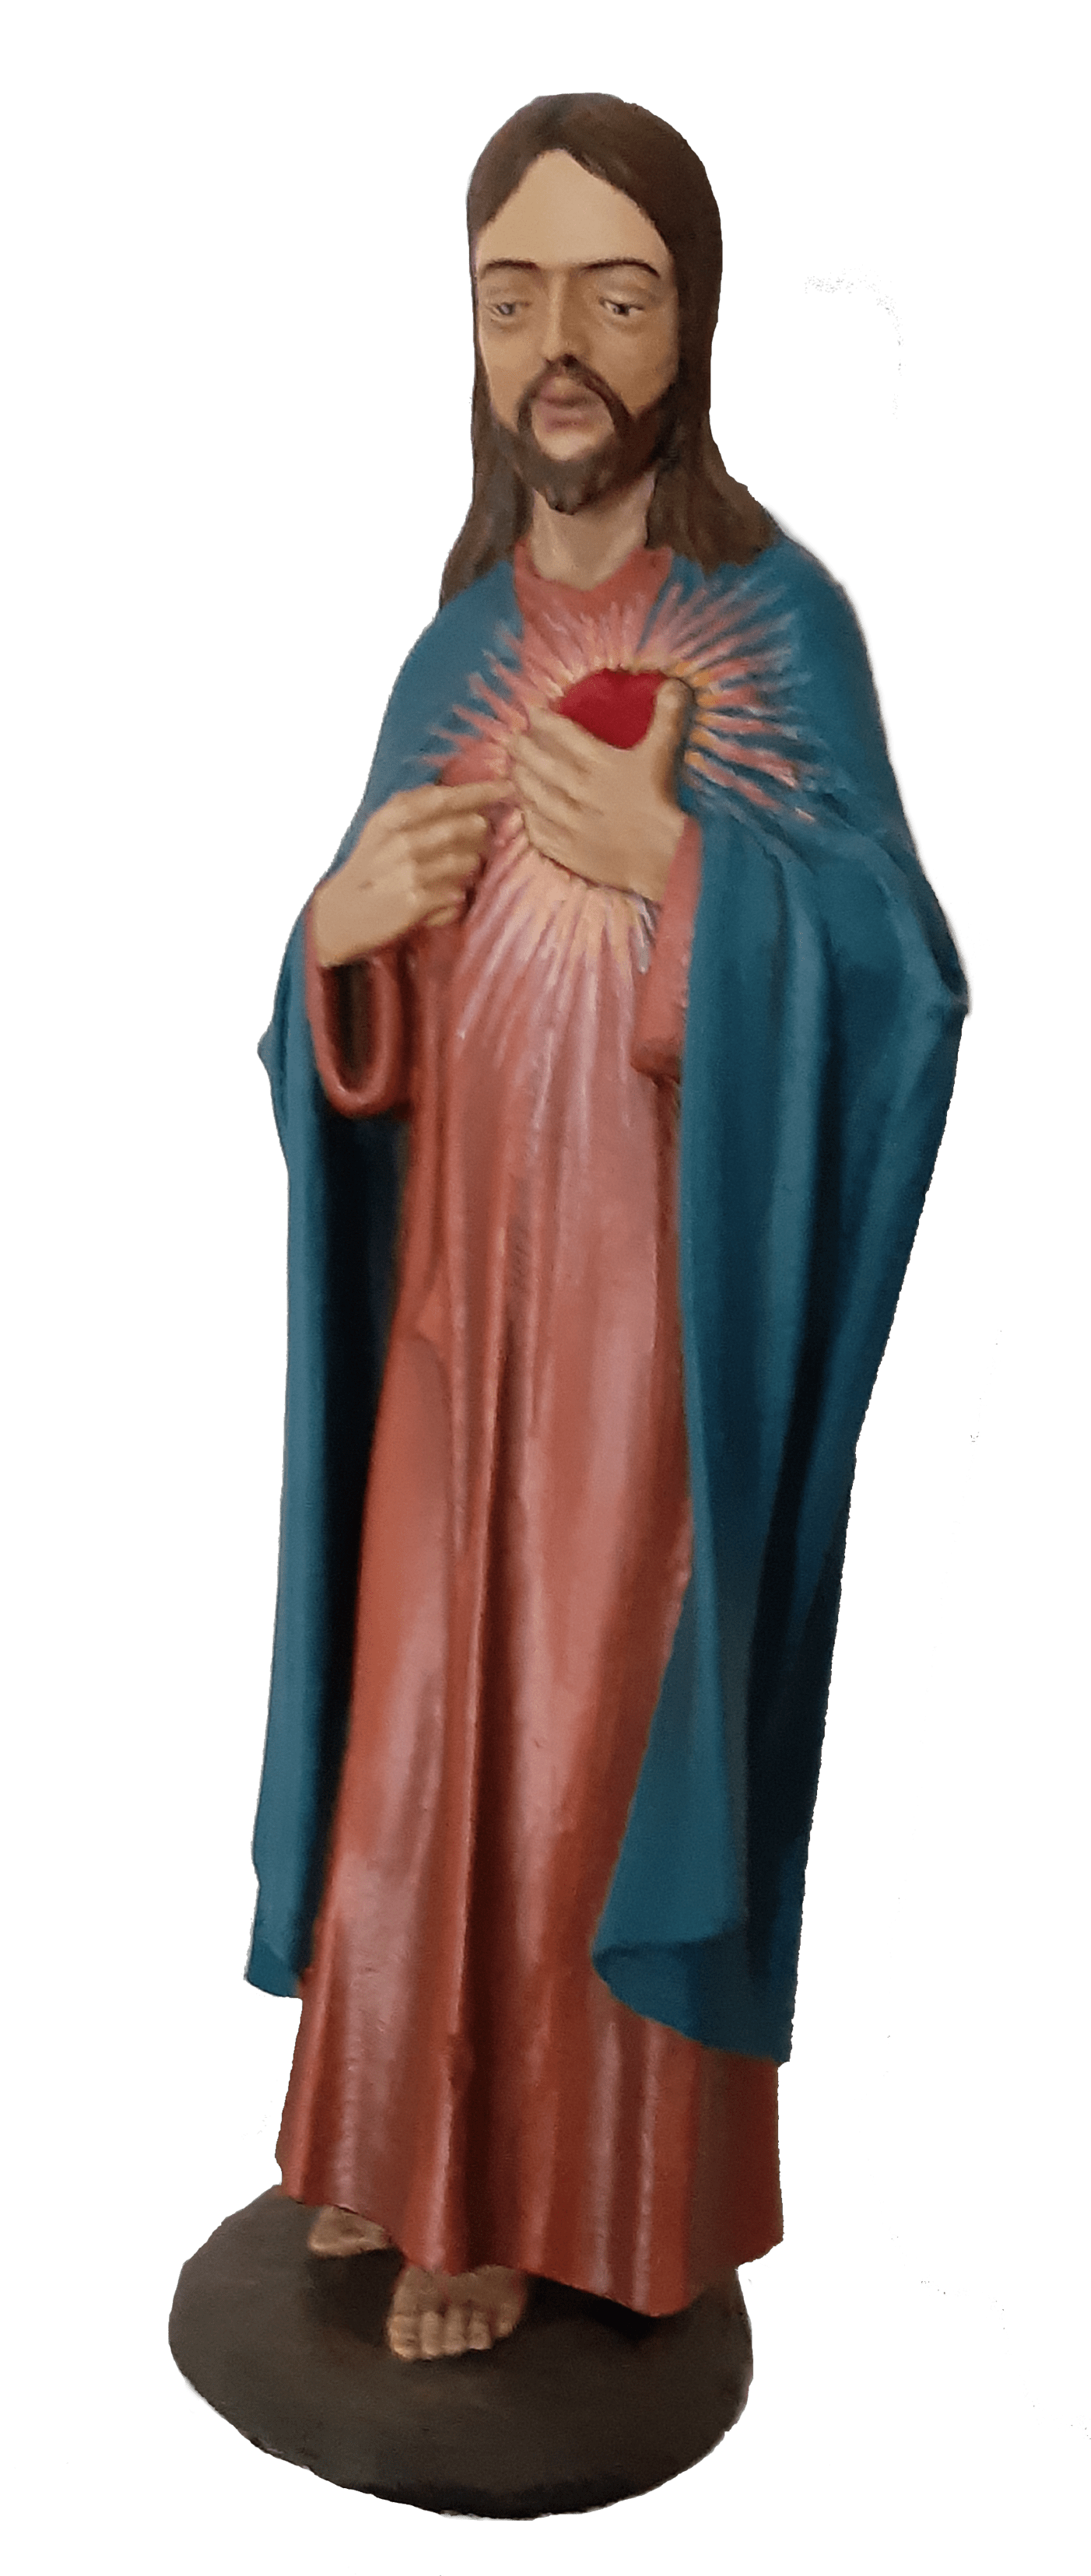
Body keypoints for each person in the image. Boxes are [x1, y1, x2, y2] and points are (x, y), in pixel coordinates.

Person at [246, 94, 973, 2365]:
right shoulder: (452, 645)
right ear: (473, 339)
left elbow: (906, 978)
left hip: (648, 1309)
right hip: (454, 1300)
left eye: (615, 292)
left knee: (579, 1732)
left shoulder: (781, 616)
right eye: (514, 295)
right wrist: (331, 950)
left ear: (690, 325)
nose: (560, 342)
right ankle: (396, 2135)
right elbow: (358, 1011)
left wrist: (691, 882)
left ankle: (534, 2196)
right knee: (415, 1721)